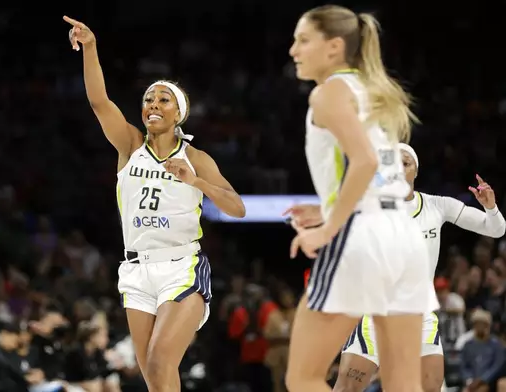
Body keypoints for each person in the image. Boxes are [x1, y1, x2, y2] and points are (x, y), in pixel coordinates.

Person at [62, 15, 246, 392]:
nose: (153, 104)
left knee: (162, 361)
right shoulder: (130, 146)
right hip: (136, 270)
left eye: (163, 99)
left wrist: (195, 181)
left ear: (178, 113)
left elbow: (237, 208)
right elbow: (99, 101)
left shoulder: (197, 158)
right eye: (148, 99)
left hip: (181, 267)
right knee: (154, 377)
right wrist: (91, 48)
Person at [285, 5, 438, 392]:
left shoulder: (327, 94)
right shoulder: (374, 93)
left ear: (334, 47)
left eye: (303, 40)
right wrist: (327, 207)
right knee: (404, 385)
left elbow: (366, 162)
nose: (293, 50)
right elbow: (383, 175)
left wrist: (327, 228)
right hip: (403, 235)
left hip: (362, 238)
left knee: (303, 378)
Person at [288, 144, 506, 391]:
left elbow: (496, 229)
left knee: (431, 386)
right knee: (347, 387)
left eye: (406, 163)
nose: (400, 169)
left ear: (415, 171)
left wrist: (491, 207)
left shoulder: (438, 206)